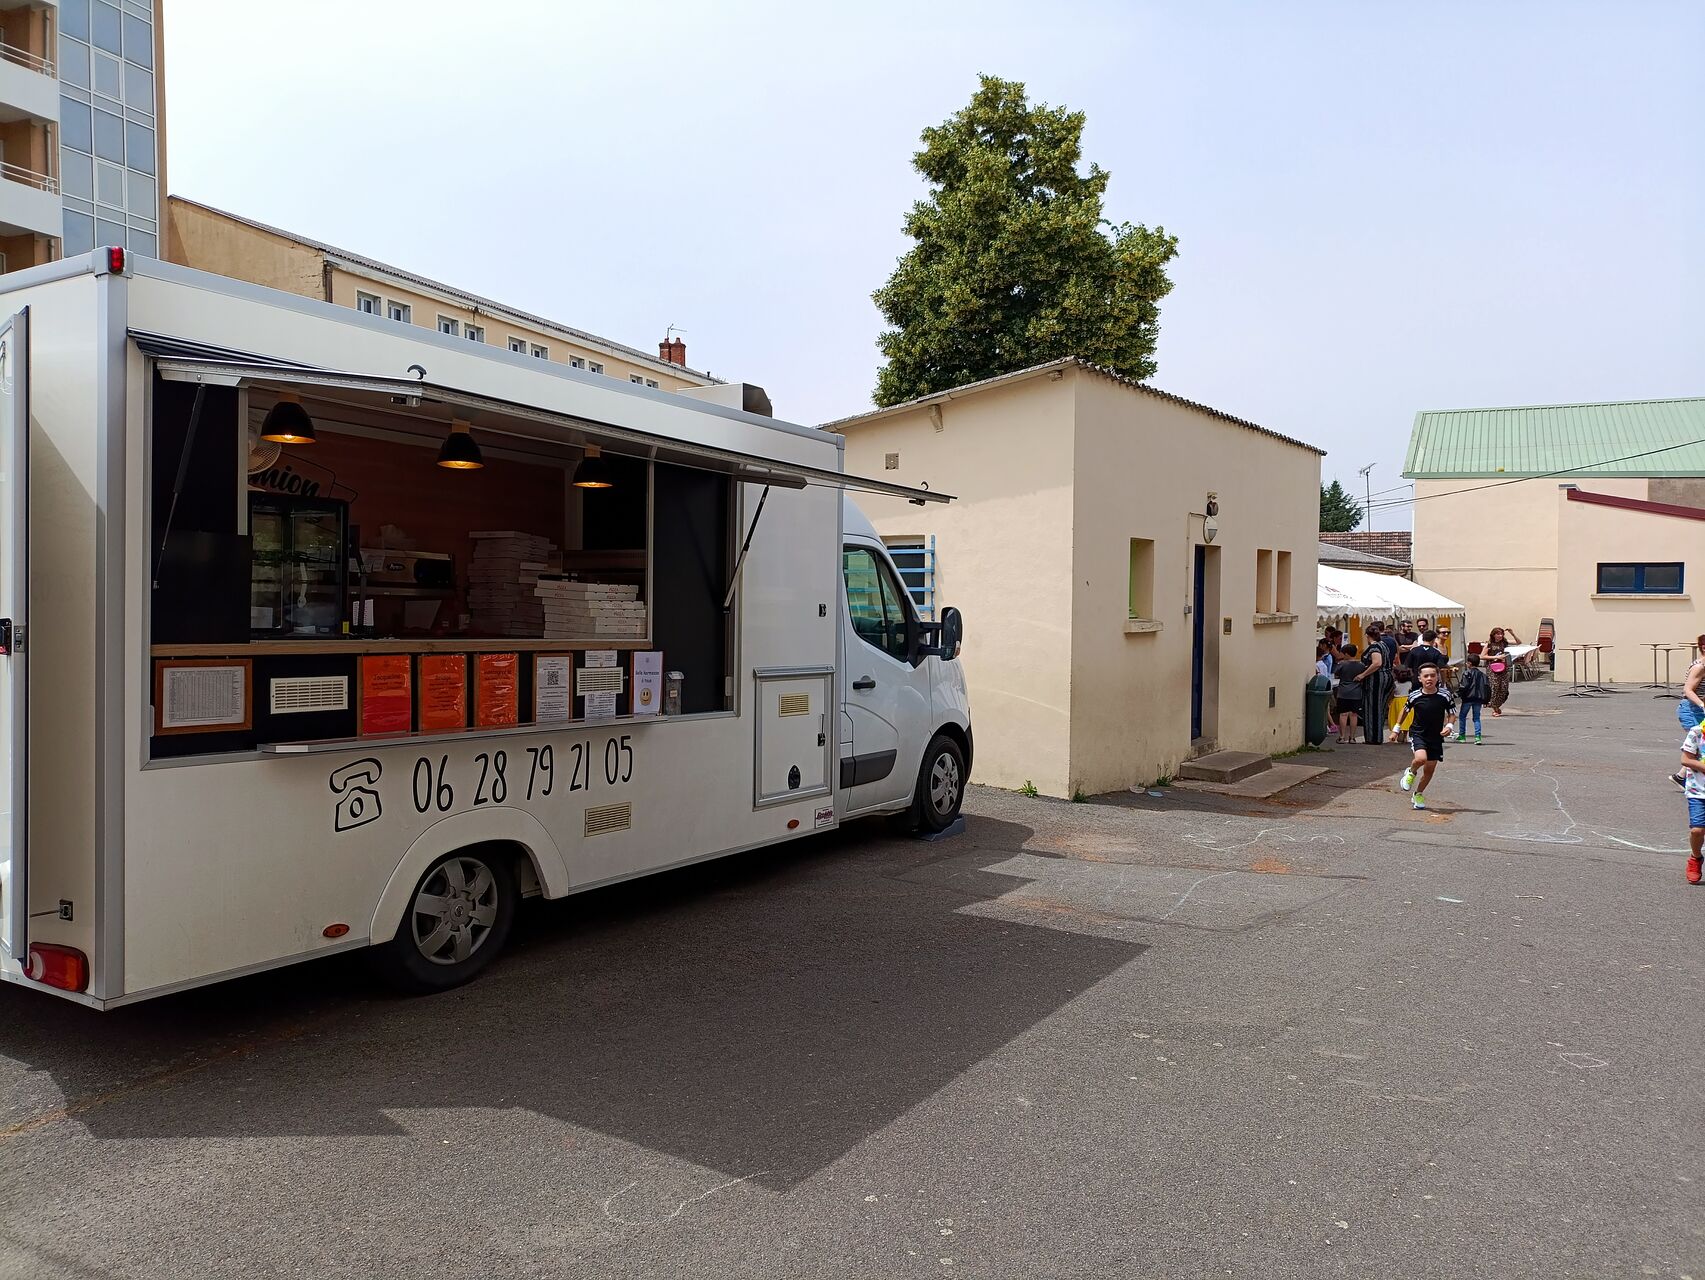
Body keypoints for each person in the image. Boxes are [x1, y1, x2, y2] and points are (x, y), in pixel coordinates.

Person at [1399, 663, 1456, 810]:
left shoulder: (1445, 695)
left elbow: (1451, 714)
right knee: (1420, 759)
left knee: (1429, 770)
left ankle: (1418, 794)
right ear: (1420, 678)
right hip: (1418, 733)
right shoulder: (1414, 695)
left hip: (1436, 736)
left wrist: (1449, 726)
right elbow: (1404, 711)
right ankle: (1411, 772)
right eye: (1426, 676)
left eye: (1432, 675)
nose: (1429, 678)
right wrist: (1396, 728)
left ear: (1437, 677)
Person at [1669, 635, 1705, 788]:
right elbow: (1688, 690)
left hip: (1697, 709)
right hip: (1692, 710)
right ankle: (1684, 779)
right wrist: (1702, 705)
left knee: (1698, 745)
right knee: (1698, 745)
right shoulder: (1700, 667)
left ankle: (1681, 777)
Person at [1681, 713, 1705, 884]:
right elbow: (1685, 759)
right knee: (1697, 830)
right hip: (1699, 791)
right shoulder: (1697, 732)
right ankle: (1695, 858)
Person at [1358, 625, 1388, 745]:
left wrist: (1363, 674)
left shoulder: (1374, 646)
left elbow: (1377, 663)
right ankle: (1376, 736)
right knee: (1379, 707)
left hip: (1375, 679)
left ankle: (1373, 737)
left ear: (1367, 635)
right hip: (1385, 676)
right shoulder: (1383, 645)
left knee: (1372, 708)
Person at [1333, 642, 1367, 745]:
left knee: (1343, 714)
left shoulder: (1342, 664)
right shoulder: (1361, 665)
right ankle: (1352, 738)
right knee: (1354, 715)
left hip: (1343, 692)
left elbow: (1336, 673)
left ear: (1347, 654)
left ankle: (1342, 737)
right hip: (1356, 693)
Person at [1485, 627, 1520, 716]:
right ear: (1493, 635)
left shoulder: (1504, 643)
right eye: (1498, 634)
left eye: (1501, 634)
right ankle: (1495, 708)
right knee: (1495, 687)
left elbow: (1518, 642)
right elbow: (1482, 656)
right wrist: (1496, 657)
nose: (1500, 636)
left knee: (1504, 688)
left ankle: (1497, 705)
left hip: (1503, 667)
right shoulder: (1489, 644)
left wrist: (1512, 633)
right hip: (1492, 668)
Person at [1457, 653, 1490, 744]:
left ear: (1469, 663)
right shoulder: (1483, 675)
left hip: (1467, 698)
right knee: (1476, 718)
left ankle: (1462, 735)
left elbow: (1464, 686)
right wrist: (1486, 700)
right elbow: (1487, 687)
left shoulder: (1467, 673)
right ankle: (1478, 737)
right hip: (1478, 699)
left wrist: (1458, 694)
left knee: (1462, 716)